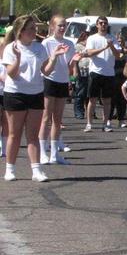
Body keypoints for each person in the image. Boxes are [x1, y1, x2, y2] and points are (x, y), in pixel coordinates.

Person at [3, 15, 68, 182]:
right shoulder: (12, 47)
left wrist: (54, 57)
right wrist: (17, 58)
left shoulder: (39, 48)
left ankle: (36, 170)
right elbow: (12, 74)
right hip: (15, 94)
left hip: (36, 93)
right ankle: (10, 169)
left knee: (32, 135)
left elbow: (46, 71)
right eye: (31, 28)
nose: (35, 31)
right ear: (22, 31)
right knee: (14, 134)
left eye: (35, 28)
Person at [39, 15, 79, 165]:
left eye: (64, 26)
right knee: (45, 118)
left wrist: (75, 62)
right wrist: (55, 56)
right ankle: (43, 152)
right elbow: (44, 65)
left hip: (63, 82)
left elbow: (69, 66)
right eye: (59, 26)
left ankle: (55, 154)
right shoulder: (47, 43)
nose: (62, 28)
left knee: (58, 119)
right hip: (49, 81)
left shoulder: (69, 43)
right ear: (52, 27)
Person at [84, 16, 122, 132]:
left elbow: (118, 56)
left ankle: (106, 123)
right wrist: (104, 47)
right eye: (101, 23)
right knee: (92, 99)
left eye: (105, 23)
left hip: (109, 73)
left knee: (107, 100)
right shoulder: (92, 38)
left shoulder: (112, 39)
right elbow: (89, 53)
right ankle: (89, 123)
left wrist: (110, 46)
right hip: (95, 71)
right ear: (97, 25)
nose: (103, 25)